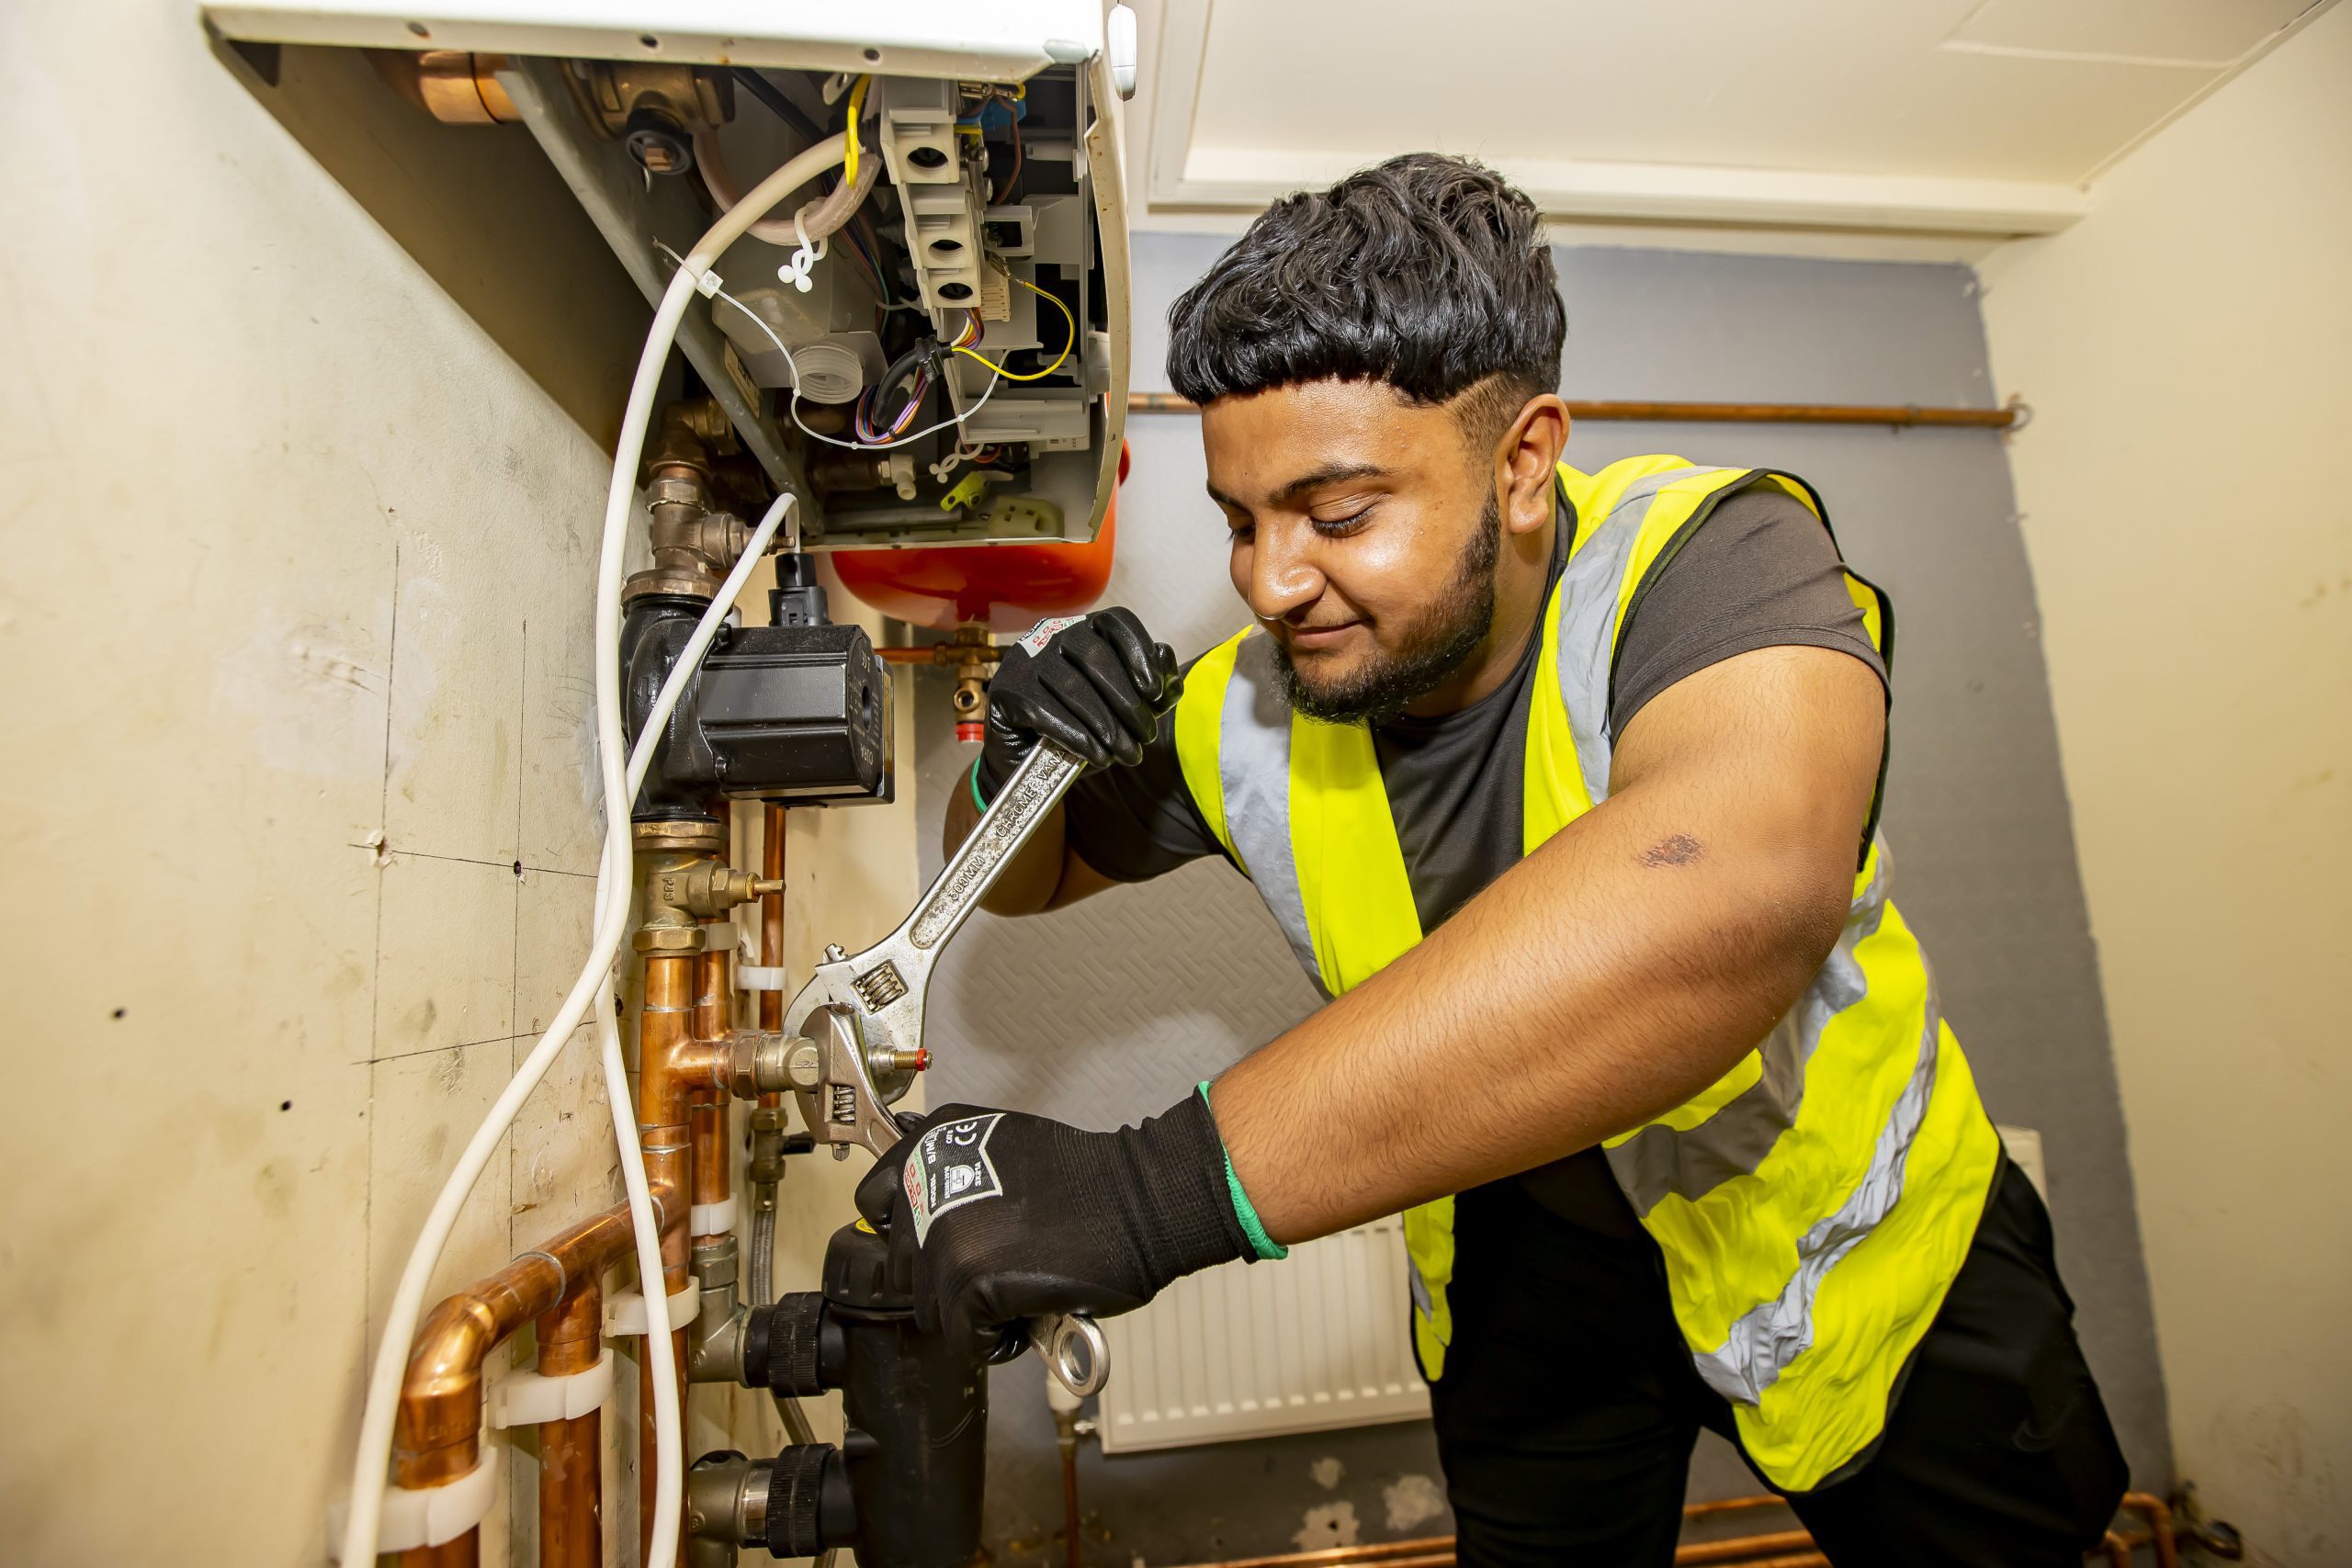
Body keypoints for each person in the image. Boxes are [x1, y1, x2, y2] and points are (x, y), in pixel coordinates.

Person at [857, 153, 2126, 1566]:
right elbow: (1011, 882)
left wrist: (1144, 1198)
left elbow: (1733, 893)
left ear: (1523, 461)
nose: (1271, 581)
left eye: (1337, 516)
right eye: (1240, 521)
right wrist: (1014, 756)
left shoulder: (1709, 558)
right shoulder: (1250, 699)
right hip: (1525, 1294)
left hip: (1865, 1266)